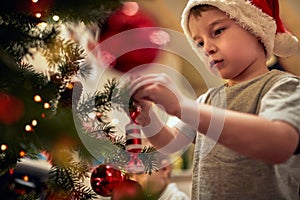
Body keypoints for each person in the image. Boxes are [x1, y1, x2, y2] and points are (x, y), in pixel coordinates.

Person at [129, 0, 300, 199]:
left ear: (256, 29)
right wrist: (147, 116)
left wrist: (182, 106)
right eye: (199, 43)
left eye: (217, 31)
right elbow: (170, 144)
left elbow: (279, 143)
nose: (207, 48)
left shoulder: (283, 86)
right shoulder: (207, 100)